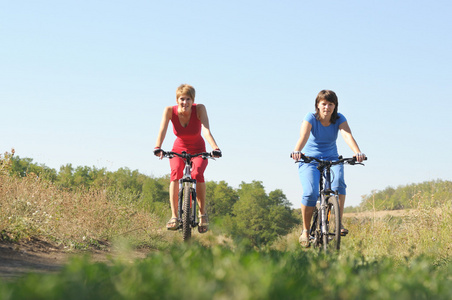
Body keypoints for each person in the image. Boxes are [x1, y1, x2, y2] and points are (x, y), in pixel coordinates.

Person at [291, 90, 366, 247]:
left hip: (332, 158)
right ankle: (305, 231)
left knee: (338, 184)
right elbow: (303, 136)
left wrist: (357, 152)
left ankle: (338, 223)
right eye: (323, 104)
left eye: (330, 104)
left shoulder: (339, 119)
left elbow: (347, 135)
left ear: (335, 106)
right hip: (309, 160)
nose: (327, 107)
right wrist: (297, 151)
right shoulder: (310, 118)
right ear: (318, 105)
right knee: (310, 192)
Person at [154, 84, 221, 233]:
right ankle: (174, 217)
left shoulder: (200, 109)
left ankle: (202, 214)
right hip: (178, 148)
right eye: (182, 99)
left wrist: (215, 148)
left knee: (197, 174)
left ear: (193, 100)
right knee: (176, 172)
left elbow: (206, 130)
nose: (185, 103)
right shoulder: (170, 111)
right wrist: (157, 147)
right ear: (177, 100)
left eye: (188, 99)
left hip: (198, 149)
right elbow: (162, 129)